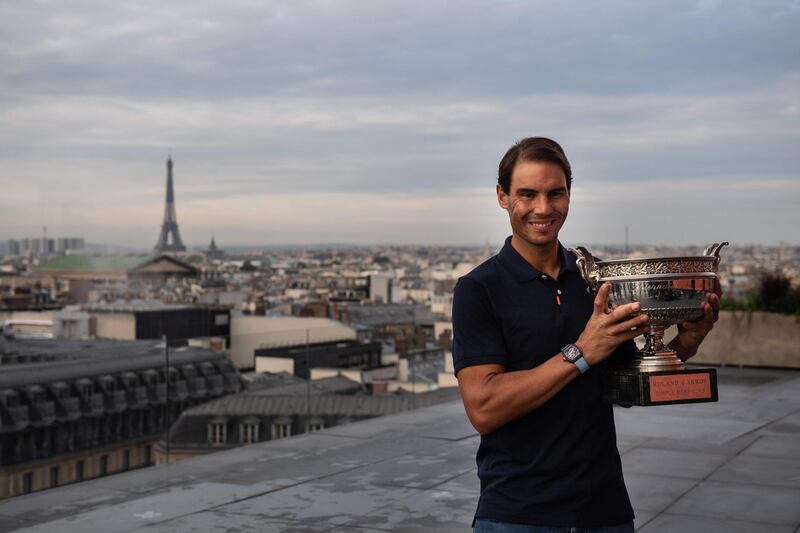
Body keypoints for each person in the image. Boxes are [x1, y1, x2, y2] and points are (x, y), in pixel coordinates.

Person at [452, 137, 719, 532]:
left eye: (555, 193)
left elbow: (625, 382)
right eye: (527, 194)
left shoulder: (594, 281)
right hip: (519, 513)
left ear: (569, 195)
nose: (543, 208)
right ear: (502, 197)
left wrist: (685, 344)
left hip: (604, 508)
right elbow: (484, 409)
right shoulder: (479, 289)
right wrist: (580, 352)